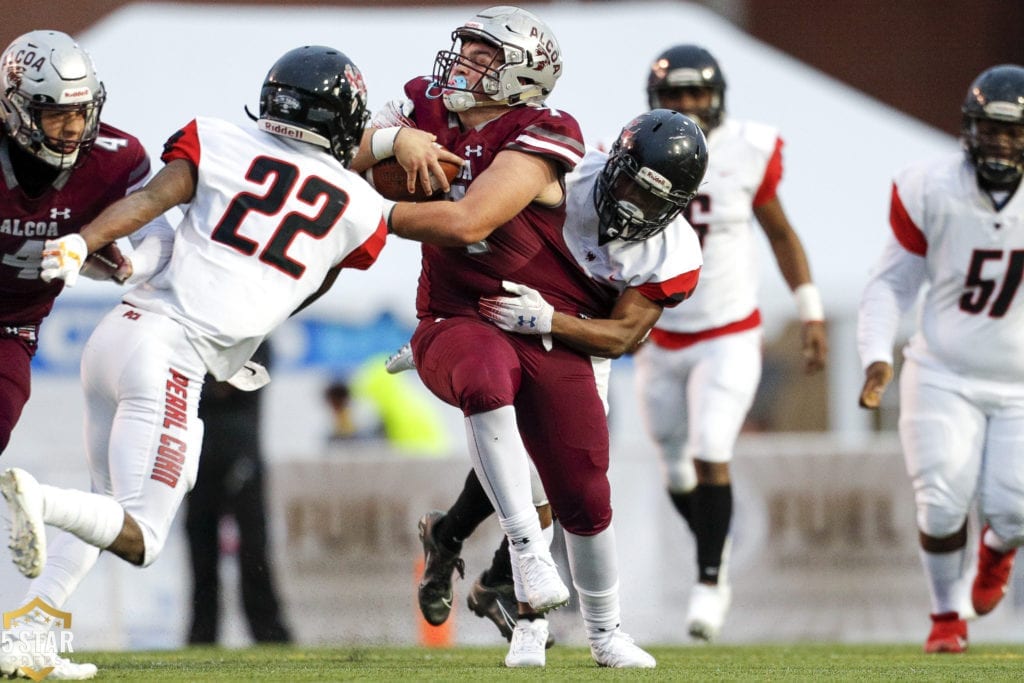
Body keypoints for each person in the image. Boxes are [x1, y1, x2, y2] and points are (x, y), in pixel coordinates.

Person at [0, 44, 390, 679]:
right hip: (171, 361)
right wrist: (401, 144)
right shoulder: (360, 207)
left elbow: (154, 206)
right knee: (142, 536)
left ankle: (30, 633)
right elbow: (433, 225)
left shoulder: (217, 138)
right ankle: (41, 500)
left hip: (118, 335)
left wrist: (86, 243)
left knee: (108, 505)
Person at [354, 5, 662, 668]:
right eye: (463, 51)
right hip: (459, 315)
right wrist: (390, 143)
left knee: (582, 486)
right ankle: (522, 566)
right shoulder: (425, 106)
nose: (462, 65)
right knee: (489, 378)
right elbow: (336, 157)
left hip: (557, 319)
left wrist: (366, 212)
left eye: (482, 57)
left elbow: (470, 220)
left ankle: (605, 631)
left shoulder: (548, 134)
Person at [635, 44, 828, 641]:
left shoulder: (748, 149)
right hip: (659, 332)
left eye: (697, 93)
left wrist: (810, 311)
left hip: (729, 331)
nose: (688, 104)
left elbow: (783, 234)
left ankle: (710, 580)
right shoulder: (636, 145)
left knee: (711, 445)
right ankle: (713, 553)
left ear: (717, 96)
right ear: (655, 101)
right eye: (675, 94)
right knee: (674, 467)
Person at [857, 63, 1024, 654]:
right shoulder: (930, 185)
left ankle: (998, 550)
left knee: (1015, 507)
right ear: (968, 129)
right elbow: (891, 283)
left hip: (1021, 385)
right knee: (941, 492)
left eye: (1012, 130)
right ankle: (946, 616)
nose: (999, 141)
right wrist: (877, 354)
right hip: (944, 370)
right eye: (990, 128)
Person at [0, 30, 171, 459]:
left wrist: (128, 265)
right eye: (55, 114)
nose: (73, 127)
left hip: (11, 329)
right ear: (14, 107)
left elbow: (160, 238)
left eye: (82, 111)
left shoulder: (115, 160)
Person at [184, 340, 292, 645]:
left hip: (242, 456)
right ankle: (202, 635)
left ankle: (268, 632)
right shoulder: (197, 336)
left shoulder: (255, 335)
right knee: (201, 551)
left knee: (253, 550)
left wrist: (205, 383)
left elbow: (243, 382)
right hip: (199, 459)